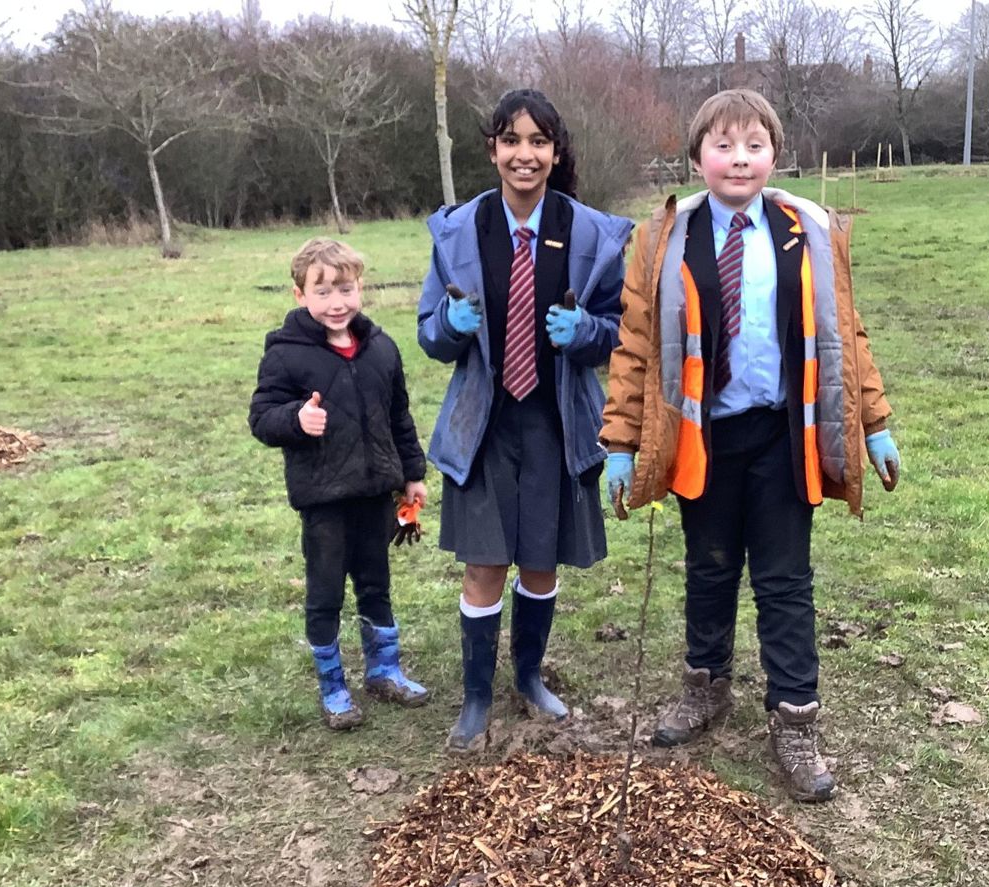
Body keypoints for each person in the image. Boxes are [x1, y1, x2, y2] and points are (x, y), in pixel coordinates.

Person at [600, 89, 901, 802]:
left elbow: (845, 336)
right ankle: (704, 690)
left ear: (774, 154)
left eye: (755, 145)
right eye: (724, 145)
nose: (740, 158)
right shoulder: (661, 239)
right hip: (702, 440)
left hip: (781, 437)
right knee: (707, 571)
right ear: (698, 154)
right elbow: (635, 347)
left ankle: (795, 721)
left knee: (784, 581)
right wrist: (619, 441)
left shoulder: (811, 231)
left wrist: (875, 422)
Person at [416, 89, 634, 752]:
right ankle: (477, 697)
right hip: (483, 423)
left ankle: (530, 677)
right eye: (511, 141)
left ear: (555, 152)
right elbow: (429, 333)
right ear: (493, 150)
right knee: (483, 564)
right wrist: (449, 328)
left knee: (540, 564)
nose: (525, 155)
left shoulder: (591, 233)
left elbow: (624, 332)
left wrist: (588, 331)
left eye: (538, 142)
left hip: (556, 422)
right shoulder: (459, 232)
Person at [249, 238, 430, 730]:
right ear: (299, 295)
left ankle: (384, 670)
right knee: (325, 592)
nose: (336, 302)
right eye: (323, 291)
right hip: (323, 500)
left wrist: (412, 474)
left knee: (377, 585)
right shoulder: (286, 356)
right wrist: (294, 418)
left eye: (345, 289)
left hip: (375, 493)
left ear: (361, 288)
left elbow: (399, 418)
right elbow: (262, 417)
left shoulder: (381, 349)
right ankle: (333, 687)